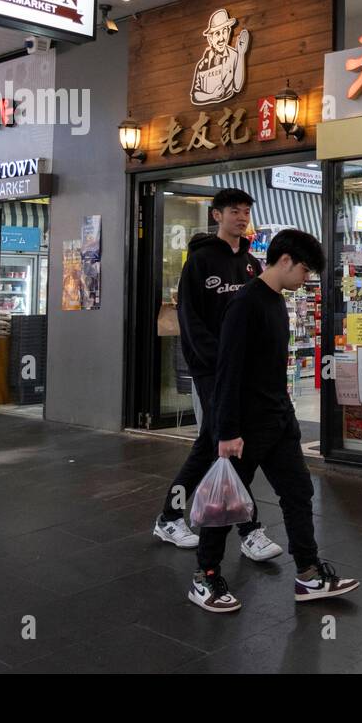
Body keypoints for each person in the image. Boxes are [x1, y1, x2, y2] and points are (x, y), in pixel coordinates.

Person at [189, 229, 359, 613]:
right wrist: (227, 431)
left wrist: (288, 416)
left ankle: (309, 573)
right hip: (244, 427)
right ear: (284, 261)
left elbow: (270, 367)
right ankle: (206, 576)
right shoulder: (245, 304)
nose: (306, 279)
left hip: (278, 421)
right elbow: (228, 369)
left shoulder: (276, 301)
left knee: (298, 493)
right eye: (303, 270)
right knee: (224, 503)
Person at [153, 188, 283, 566]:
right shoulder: (199, 262)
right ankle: (248, 529)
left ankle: (170, 517)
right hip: (213, 371)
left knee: (212, 445)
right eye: (234, 212)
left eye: (246, 212)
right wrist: (214, 363)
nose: (241, 218)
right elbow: (190, 322)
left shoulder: (251, 265)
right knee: (224, 443)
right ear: (216, 216)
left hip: (245, 372)